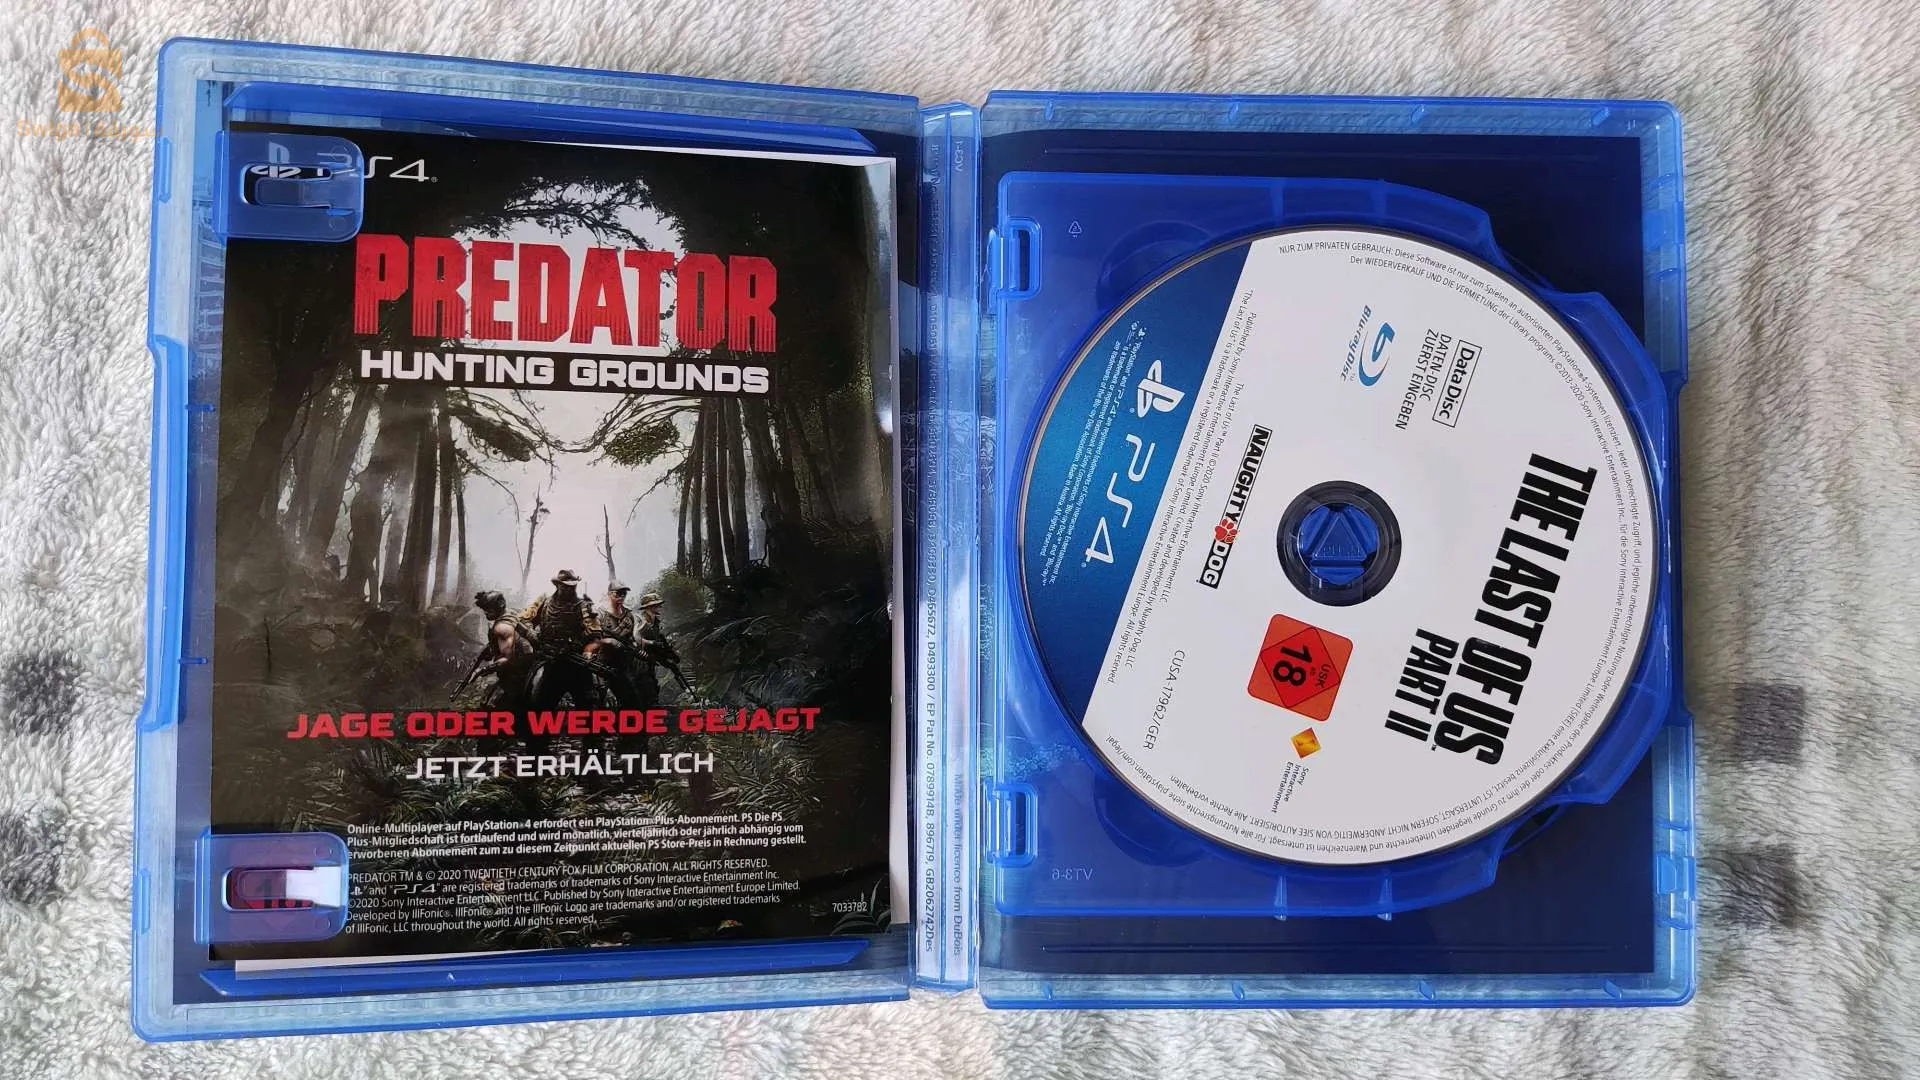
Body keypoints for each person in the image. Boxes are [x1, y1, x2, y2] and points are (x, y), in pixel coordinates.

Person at [519, 569, 604, 709]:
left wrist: (588, 651)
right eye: (566, 586)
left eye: (573, 586)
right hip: (550, 663)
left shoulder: (584, 606)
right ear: (557, 585)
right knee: (539, 705)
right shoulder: (544, 602)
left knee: (589, 707)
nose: (570, 589)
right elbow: (523, 620)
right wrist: (532, 634)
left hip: (576, 664)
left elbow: (596, 636)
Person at [462, 590, 534, 710]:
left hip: (517, 673)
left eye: (489, 609)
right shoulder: (510, 614)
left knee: (494, 707)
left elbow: (507, 659)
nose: (486, 612)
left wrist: (481, 670)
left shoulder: (502, 627)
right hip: (522, 666)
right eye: (485, 609)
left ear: (499, 606)